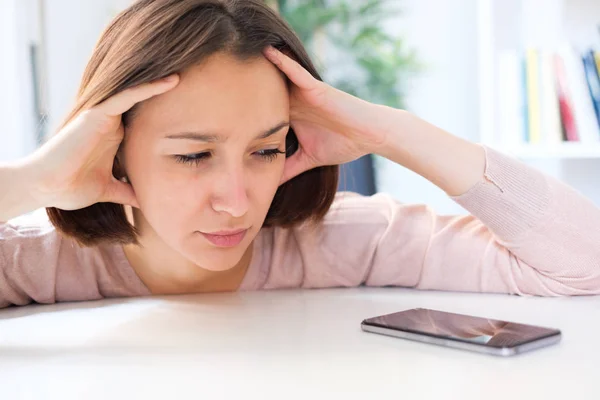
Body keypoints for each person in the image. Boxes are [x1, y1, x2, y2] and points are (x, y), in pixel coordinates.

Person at [1, 0, 599, 309]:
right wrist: (34, 181)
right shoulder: (42, 263)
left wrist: (394, 133)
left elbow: (584, 264)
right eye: (193, 156)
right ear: (115, 148)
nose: (238, 201)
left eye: (265, 149)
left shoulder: (336, 242)